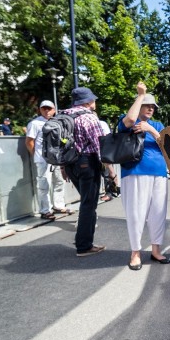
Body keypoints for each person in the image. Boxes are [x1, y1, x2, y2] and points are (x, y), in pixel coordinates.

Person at [118, 82, 169, 270]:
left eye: (153, 106)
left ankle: (156, 250)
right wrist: (140, 95)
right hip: (134, 172)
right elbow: (130, 121)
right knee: (136, 213)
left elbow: (167, 145)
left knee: (158, 212)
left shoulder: (157, 124)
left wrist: (151, 129)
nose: (151, 108)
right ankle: (135, 252)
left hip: (159, 173)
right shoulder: (126, 119)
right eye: (147, 105)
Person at [63, 87, 106, 257]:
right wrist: (108, 169)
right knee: (89, 205)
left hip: (69, 164)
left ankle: (82, 238)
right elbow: (99, 145)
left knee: (85, 202)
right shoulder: (89, 117)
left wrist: (62, 167)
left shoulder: (63, 115)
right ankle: (84, 246)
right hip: (87, 163)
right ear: (87, 102)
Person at [26, 100, 70, 220]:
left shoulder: (58, 122)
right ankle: (45, 210)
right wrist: (37, 155)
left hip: (56, 158)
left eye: (49, 108)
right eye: (44, 108)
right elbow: (29, 141)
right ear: (40, 110)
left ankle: (58, 206)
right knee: (44, 185)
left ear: (54, 110)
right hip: (43, 159)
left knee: (60, 181)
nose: (46, 111)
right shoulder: (34, 123)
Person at [98, 119, 119, 203]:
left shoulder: (102, 124)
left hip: (103, 154)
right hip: (93, 154)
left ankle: (109, 193)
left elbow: (107, 139)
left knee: (107, 174)